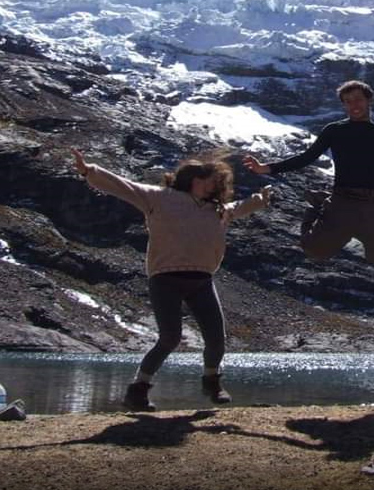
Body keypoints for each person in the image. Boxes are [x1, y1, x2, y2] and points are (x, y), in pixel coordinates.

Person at [71, 148, 271, 412]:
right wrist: (89, 171)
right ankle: (138, 390)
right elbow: (124, 187)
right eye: (211, 179)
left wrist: (261, 199)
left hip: (201, 279)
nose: (215, 185)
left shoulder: (217, 210)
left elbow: (239, 207)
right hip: (166, 278)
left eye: (217, 182)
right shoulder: (160, 198)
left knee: (216, 338)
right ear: (195, 178)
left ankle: (212, 381)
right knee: (170, 338)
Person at [242, 79, 374, 268]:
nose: (353, 105)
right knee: (315, 251)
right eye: (347, 101)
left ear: (369, 100)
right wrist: (267, 167)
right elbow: (308, 157)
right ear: (343, 105)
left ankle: (362, 225)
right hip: (343, 200)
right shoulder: (334, 130)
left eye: (358, 99)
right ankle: (318, 207)